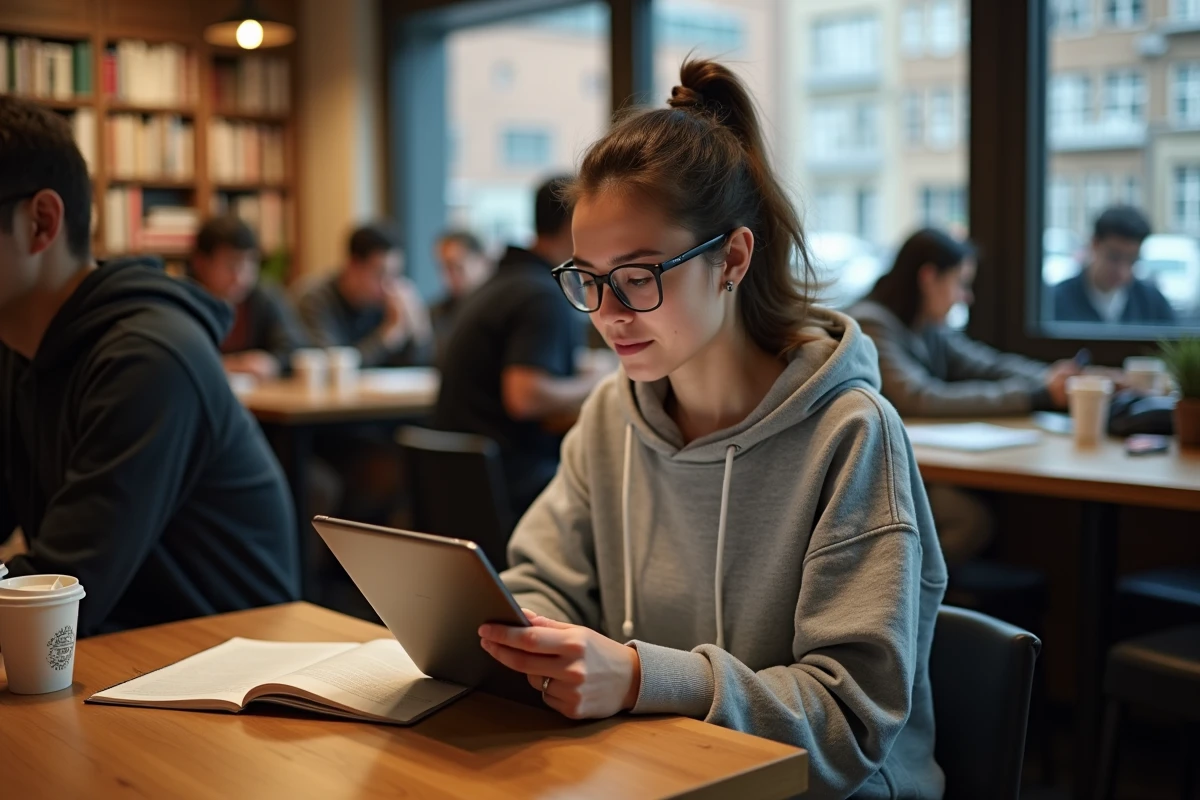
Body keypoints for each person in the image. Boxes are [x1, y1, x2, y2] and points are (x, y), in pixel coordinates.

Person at [476, 61, 948, 799]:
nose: (608, 313)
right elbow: (543, 579)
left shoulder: (853, 436)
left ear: (731, 258)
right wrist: (530, 634)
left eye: (637, 275)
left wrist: (637, 676)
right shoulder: (610, 415)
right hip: (653, 773)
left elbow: (849, 723)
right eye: (588, 280)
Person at [0, 96, 298, 636]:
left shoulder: (148, 358)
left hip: (229, 680)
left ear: (40, 223)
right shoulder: (19, 349)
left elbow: (59, 600)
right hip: (126, 657)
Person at [849, 228, 1082, 564]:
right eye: (961, 282)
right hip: (878, 474)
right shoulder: (871, 323)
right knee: (970, 520)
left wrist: (1052, 377)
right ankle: (912, 598)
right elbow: (920, 398)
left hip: (917, 462)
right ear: (929, 277)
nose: (965, 296)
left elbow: (986, 364)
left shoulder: (926, 326)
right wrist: (1039, 393)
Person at [434, 177, 605, 519]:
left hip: (457, 482)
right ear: (572, 224)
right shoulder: (541, 294)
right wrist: (600, 380)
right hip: (507, 483)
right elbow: (524, 397)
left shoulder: (499, 282)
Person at [298, 222, 433, 367]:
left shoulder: (390, 303)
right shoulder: (315, 300)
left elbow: (420, 363)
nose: (388, 286)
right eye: (380, 274)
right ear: (353, 265)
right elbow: (334, 367)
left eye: (395, 275)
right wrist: (385, 337)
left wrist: (419, 329)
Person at [189, 215, 307, 379]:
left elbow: (295, 347)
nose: (241, 277)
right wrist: (228, 365)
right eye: (231, 265)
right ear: (201, 263)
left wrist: (273, 362)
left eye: (249, 263)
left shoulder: (264, 296)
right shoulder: (183, 301)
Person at [1052, 206, 1175, 324]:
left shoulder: (1152, 303)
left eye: (1132, 261)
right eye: (1114, 258)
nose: (1123, 271)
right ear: (1095, 244)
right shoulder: (1054, 301)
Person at [430, 228, 493, 360]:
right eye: (443, 268)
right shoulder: (438, 311)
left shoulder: (500, 309)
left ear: (482, 262)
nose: (446, 277)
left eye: (455, 267)